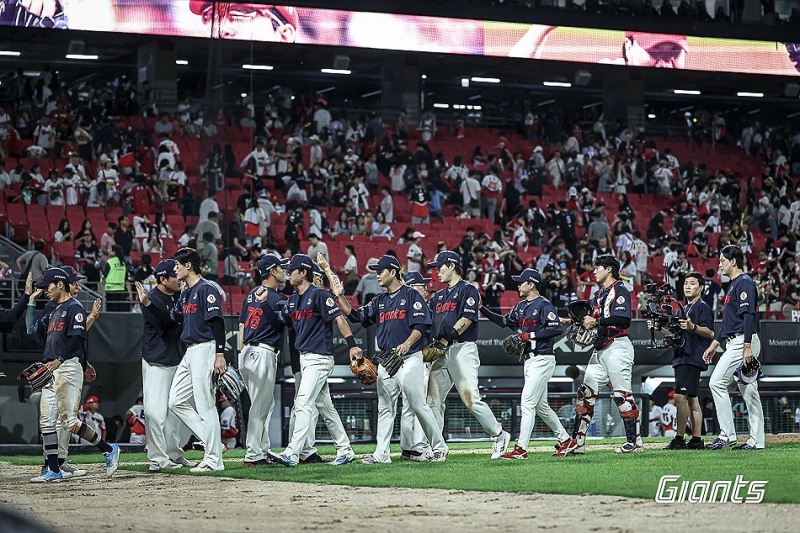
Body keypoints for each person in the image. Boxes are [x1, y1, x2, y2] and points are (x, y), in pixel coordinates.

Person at [332, 255, 448, 463]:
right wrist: (340, 297)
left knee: (418, 405)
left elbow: (420, 326)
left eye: (381, 271)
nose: (377, 275)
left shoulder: (411, 295)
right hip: (387, 359)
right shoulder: (379, 301)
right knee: (385, 408)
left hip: (409, 358)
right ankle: (381, 454)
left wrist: (407, 344)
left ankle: (439, 447)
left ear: (393, 272)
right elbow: (356, 316)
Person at [269, 254, 362, 467]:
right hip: (305, 359)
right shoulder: (293, 299)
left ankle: (292, 452)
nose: (287, 273)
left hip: (319, 358)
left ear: (303, 272)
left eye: (291, 270)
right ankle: (345, 449)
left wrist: (352, 345)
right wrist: (265, 302)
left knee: (302, 403)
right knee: (325, 407)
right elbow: (281, 319)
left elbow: (339, 319)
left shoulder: (319, 294)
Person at [29, 268, 120, 482]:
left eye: (48, 286)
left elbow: (77, 339)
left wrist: (60, 359)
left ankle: (109, 450)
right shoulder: (54, 310)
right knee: (46, 421)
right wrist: (30, 302)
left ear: (60, 284)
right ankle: (53, 469)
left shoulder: (74, 307)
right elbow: (31, 329)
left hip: (67, 366)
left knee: (69, 422)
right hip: (51, 367)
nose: (46, 290)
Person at [426, 251, 511, 459]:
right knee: (432, 401)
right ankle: (438, 447)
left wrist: (447, 338)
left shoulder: (468, 289)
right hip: (441, 351)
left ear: (452, 266)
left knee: (471, 399)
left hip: (462, 349)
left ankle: (499, 434)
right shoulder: (438, 296)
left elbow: (466, 319)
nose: (437, 271)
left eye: (440, 267)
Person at [556, 254, 642, 456]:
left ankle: (635, 442)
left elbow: (624, 319)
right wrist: (572, 321)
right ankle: (578, 443)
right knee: (585, 395)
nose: (594, 271)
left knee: (622, 396)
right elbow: (591, 317)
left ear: (609, 269)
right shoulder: (598, 294)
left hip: (617, 347)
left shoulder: (620, 289)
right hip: (600, 349)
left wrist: (597, 322)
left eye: (597, 268)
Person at [480, 268, 570, 459]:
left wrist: (530, 335)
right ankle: (565, 439)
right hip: (529, 360)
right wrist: (482, 308)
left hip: (543, 358)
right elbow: (504, 321)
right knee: (541, 406)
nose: (518, 286)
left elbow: (555, 329)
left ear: (531, 284)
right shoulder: (521, 306)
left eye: (521, 282)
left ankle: (521, 449)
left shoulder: (544, 305)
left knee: (527, 402)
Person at [167, 248, 228, 472]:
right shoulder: (186, 292)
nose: (175, 269)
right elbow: (175, 316)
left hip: (205, 348)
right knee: (175, 401)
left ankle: (214, 460)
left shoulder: (206, 288)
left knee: (206, 405)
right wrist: (180, 294)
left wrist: (220, 353)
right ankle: (213, 443)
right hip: (190, 351)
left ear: (188, 265)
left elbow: (218, 322)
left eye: (177, 265)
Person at [134, 260, 197, 472]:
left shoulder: (178, 296)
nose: (179, 278)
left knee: (174, 413)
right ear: (162, 279)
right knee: (156, 412)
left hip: (175, 358)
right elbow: (165, 326)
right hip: (156, 361)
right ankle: (157, 458)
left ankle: (174, 454)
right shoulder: (151, 299)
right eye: (174, 275)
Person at [702, 245, 765, 450]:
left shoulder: (744, 282)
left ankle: (727, 435)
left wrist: (747, 347)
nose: (719, 265)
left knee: (716, 382)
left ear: (733, 261)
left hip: (742, 342)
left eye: (722, 260)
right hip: (737, 340)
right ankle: (757, 441)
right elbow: (729, 323)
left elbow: (748, 317)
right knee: (749, 392)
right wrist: (714, 345)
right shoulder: (733, 285)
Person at [650, 271, 713, 449]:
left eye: (692, 283)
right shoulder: (682, 309)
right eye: (686, 283)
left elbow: (710, 332)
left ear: (701, 288)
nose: (687, 286)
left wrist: (693, 326)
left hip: (691, 356)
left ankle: (679, 439)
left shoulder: (702, 307)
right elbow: (674, 336)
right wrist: (658, 327)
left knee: (679, 396)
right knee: (692, 398)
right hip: (682, 355)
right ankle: (696, 440)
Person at [237, 255, 289, 466]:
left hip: (246, 351)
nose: (283, 271)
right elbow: (285, 321)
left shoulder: (251, 294)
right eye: (280, 268)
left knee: (265, 404)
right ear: (272, 271)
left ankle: (263, 448)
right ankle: (253, 454)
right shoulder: (276, 297)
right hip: (263, 352)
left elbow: (241, 326)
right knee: (260, 407)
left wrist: (241, 354)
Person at [103, 245, 132, 311]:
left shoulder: (110, 262)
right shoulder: (123, 263)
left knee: (111, 311)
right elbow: (126, 278)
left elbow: (105, 275)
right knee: (119, 311)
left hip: (110, 290)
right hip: (121, 289)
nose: (108, 252)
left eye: (110, 250)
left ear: (114, 252)